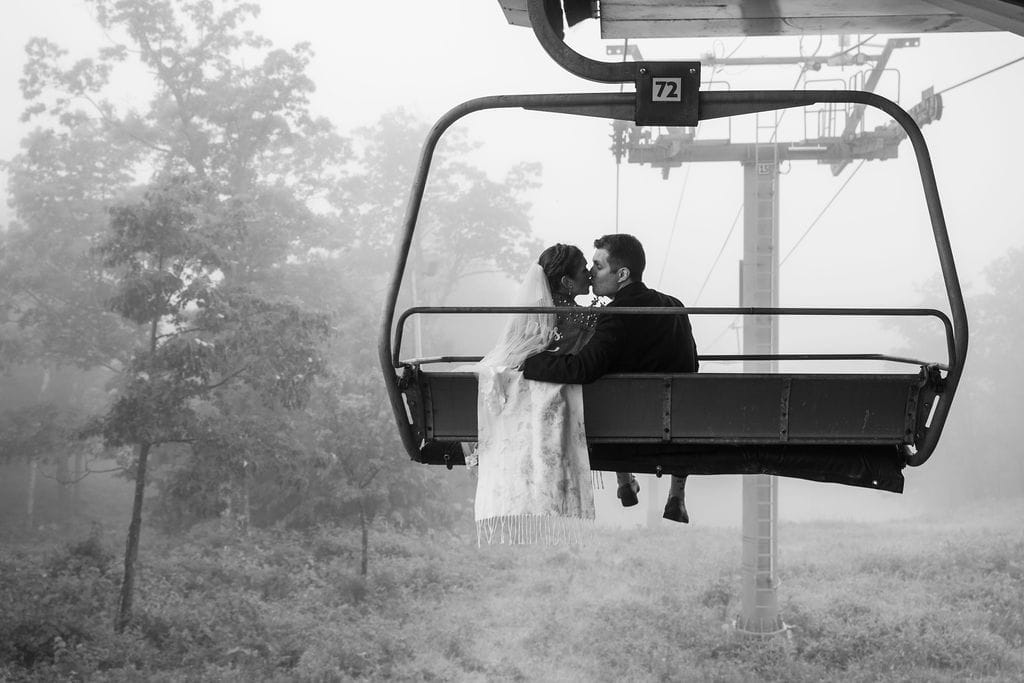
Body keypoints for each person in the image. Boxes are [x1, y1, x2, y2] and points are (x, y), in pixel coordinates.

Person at [522, 233, 699, 523]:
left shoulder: (615, 315)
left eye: (598, 266)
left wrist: (532, 364)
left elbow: (583, 369)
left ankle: (624, 479)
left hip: (632, 427)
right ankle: (676, 493)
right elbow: (693, 362)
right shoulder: (675, 305)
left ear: (623, 274)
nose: (591, 272)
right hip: (679, 419)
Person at [471, 244, 595, 545]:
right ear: (566, 283)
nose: (590, 274)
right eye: (583, 271)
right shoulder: (586, 321)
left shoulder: (532, 322)